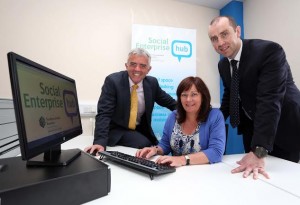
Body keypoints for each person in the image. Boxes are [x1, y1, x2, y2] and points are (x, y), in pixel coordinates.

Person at [208, 16, 300, 179]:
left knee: (281, 180)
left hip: (284, 126)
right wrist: (214, 121)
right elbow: (230, 94)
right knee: (251, 177)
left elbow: (269, 101)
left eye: (224, 34)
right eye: (214, 39)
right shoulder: (223, 65)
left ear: (237, 31)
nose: (220, 43)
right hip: (253, 128)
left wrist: (259, 151)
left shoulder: (269, 51)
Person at [84, 48, 177, 155]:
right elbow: (104, 113)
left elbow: (170, 103)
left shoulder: (152, 83)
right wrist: (99, 142)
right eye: (133, 64)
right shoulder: (113, 81)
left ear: (149, 69)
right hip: (116, 131)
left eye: (142, 66)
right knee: (145, 145)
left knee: (156, 147)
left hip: (139, 131)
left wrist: (191, 112)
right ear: (126, 65)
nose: (137, 69)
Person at [136, 76, 226, 166]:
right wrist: (155, 150)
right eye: (184, 95)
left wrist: (182, 160)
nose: (188, 99)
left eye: (194, 94)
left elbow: (216, 152)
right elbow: (165, 145)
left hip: (202, 174)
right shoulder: (173, 116)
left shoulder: (215, 116)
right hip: (177, 173)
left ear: (203, 97)